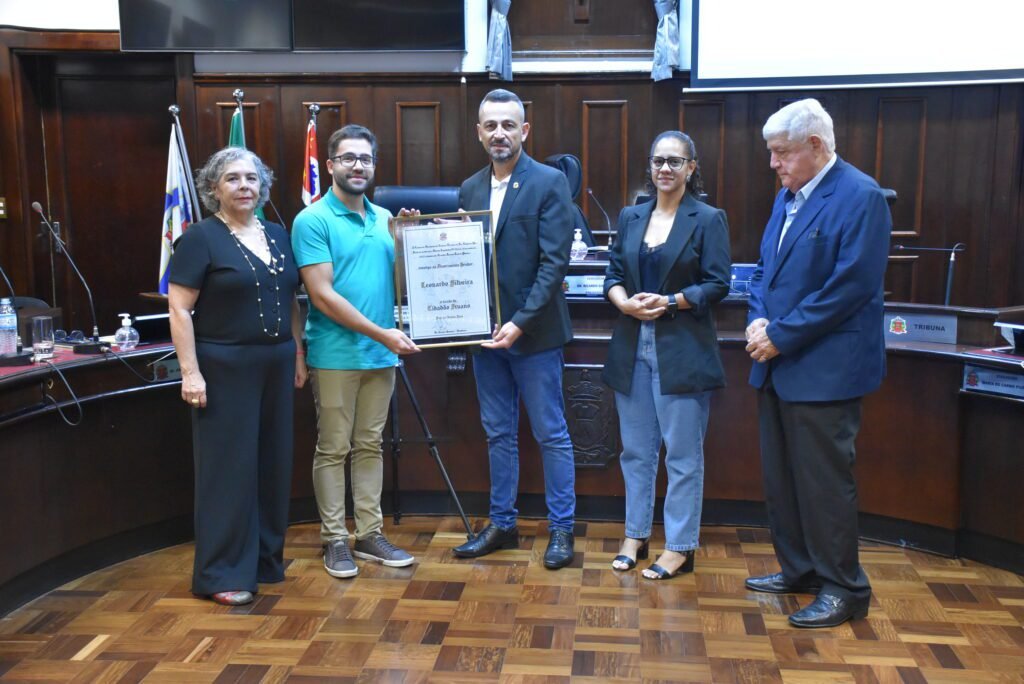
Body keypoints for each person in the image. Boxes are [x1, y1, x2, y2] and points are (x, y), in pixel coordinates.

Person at [744, 98, 890, 628]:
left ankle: (845, 589)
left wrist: (781, 334)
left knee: (825, 484)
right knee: (783, 480)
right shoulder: (787, 197)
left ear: (815, 146)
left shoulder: (861, 197)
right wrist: (759, 322)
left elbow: (850, 287)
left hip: (825, 369)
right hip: (777, 363)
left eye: (781, 152)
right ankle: (800, 569)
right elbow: (764, 271)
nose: (773, 163)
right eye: (771, 153)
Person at [169, 147, 307, 606]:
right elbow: (180, 309)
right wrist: (191, 373)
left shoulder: (277, 233)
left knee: (272, 464)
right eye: (232, 179)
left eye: (251, 178)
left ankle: (265, 561)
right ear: (214, 189)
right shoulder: (199, 238)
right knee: (228, 471)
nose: (244, 186)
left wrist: (299, 356)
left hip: (276, 363)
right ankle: (222, 572)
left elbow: (291, 300)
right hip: (223, 368)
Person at [450, 89, 578, 569]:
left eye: (509, 125)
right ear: (478, 132)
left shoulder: (549, 182)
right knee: (497, 433)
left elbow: (553, 264)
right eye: (490, 126)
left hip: (535, 335)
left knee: (551, 433)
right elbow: (465, 259)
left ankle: (561, 530)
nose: (499, 133)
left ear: (525, 131)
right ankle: (502, 523)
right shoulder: (469, 188)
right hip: (485, 337)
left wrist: (519, 324)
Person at [291, 124, 419, 580]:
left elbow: (402, 283)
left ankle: (368, 533)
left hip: (380, 356)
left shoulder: (385, 218)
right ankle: (334, 539)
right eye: (348, 158)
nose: (357, 165)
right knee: (333, 448)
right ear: (330, 166)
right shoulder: (313, 220)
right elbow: (322, 296)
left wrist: (411, 239)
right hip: (336, 354)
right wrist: (383, 334)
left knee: (369, 446)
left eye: (365, 158)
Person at [603, 131, 731, 580]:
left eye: (675, 162)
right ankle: (635, 536)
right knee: (636, 454)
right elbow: (613, 274)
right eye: (659, 161)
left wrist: (672, 301)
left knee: (682, 456)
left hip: (683, 352)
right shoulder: (631, 216)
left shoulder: (708, 218)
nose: (665, 170)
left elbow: (719, 284)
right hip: (632, 349)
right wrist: (623, 303)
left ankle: (679, 546)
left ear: (691, 168)